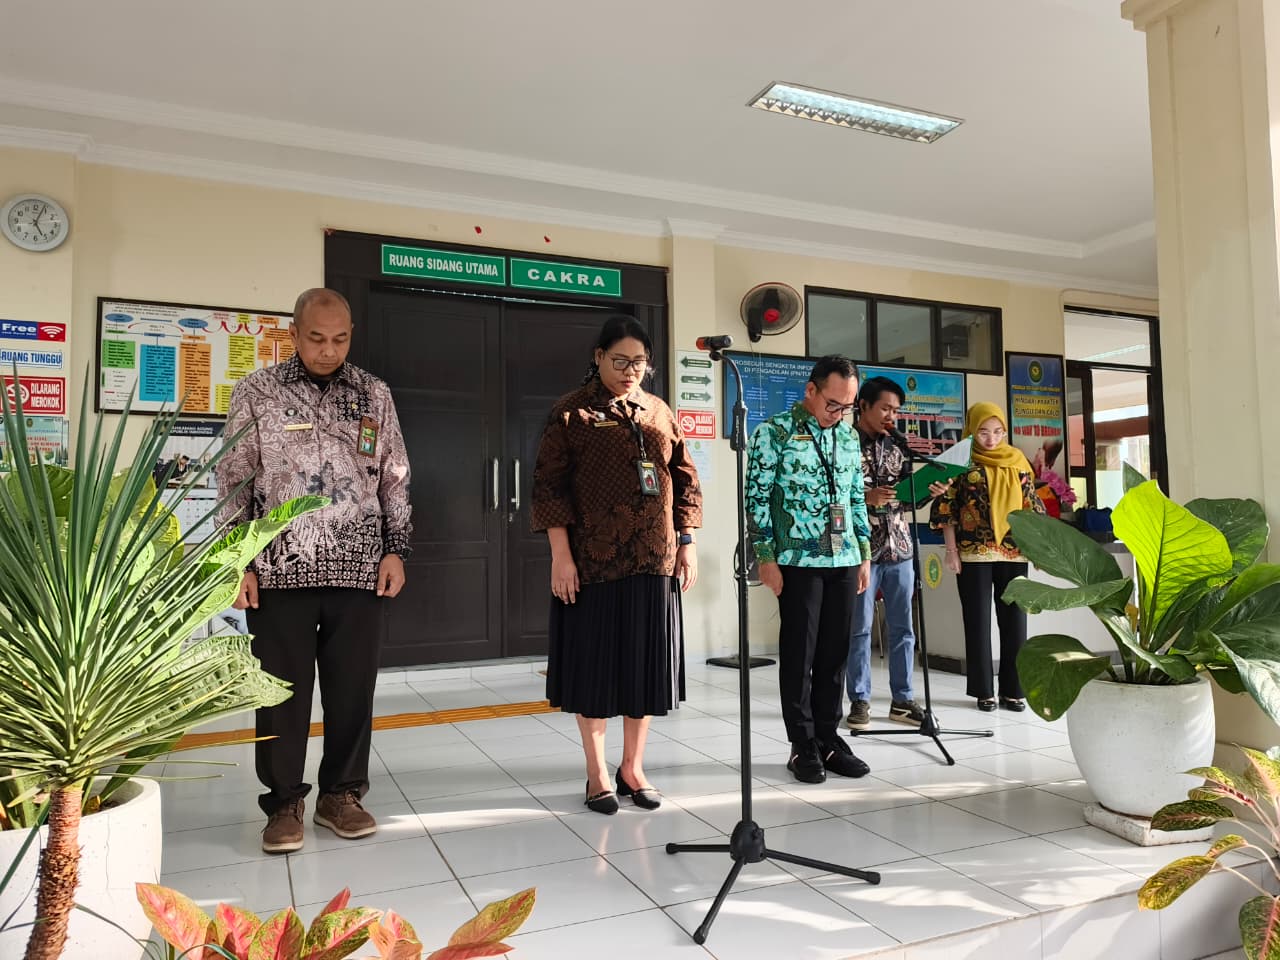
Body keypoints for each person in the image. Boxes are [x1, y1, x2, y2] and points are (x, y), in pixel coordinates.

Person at [217, 287, 412, 853]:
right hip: (280, 568)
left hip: (360, 567)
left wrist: (396, 549)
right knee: (281, 693)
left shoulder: (374, 393)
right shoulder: (257, 391)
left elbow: (395, 476)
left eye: (340, 339)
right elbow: (234, 479)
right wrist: (236, 562)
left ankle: (341, 795)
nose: (329, 350)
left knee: (353, 690)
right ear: (295, 334)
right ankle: (283, 803)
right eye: (317, 338)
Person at [530, 315, 701, 816]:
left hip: (654, 561)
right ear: (599, 357)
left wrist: (686, 542)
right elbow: (548, 489)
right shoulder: (571, 412)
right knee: (595, 671)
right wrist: (561, 557)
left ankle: (632, 767)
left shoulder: (659, 411)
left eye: (639, 363)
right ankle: (597, 772)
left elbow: (685, 478)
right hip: (594, 563)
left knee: (644, 669)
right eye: (620, 361)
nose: (630, 371)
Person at [745, 355, 872, 784]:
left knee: (836, 654)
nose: (838, 414)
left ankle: (828, 738)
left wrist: (864, 552)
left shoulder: (849, 437)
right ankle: (802, 744)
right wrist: (765, 557)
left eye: (847, 407)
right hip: (796, 561)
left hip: (844, 557)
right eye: (833, 404)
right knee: (800, 653)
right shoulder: (773, 433)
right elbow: (756, 500)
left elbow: (855, 497)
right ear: (811, 391)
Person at [929, 401, 1044, 712]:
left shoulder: (1018, 461)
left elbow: (1031, 507)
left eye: (997, 432)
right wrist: (951, 551)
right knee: (977, 623)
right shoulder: (960, 461)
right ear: (971, 430)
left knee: (1015, 624)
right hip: (972, 553)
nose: (991, 439)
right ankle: (983, 691)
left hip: (1014, 552)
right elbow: (947, 508)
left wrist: (1038, 550)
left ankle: (1013, 690)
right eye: (983, 432)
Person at [844, 376, 924, 730]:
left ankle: (902, 700)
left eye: (896, 410)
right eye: (885, 409)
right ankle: (859, 700)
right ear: (863, 406)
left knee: (903, 628)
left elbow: (905, 498)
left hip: (900, 548)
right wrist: (867, 497)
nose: (892, 416)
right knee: (859, 628)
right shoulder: (843, 442)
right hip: (861, 551)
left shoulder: (898, 445)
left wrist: (928, 490)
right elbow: (833, 495)